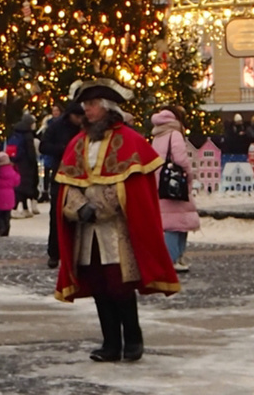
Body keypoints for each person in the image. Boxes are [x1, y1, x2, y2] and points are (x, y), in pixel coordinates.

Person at [55, 76, 179, 363]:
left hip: (116, 230)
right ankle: (110, 343)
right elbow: (68, 184)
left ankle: (133, 339)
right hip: (87, 231)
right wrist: (79, 207)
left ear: (107, 107)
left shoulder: (129, 141)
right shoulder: (78, 143)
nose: (87, 110)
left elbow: (129, 188)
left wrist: (100, 208)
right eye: (85, 104)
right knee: (98, 286)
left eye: (92, 104)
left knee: (119, 285)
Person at [149, 107, 200, 273]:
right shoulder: (175, 133)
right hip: (175, 183)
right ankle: (172, 259)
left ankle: (174, 258)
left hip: (161, 182)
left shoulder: (158, 134)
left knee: (172, 221)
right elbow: (180, 159)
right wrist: (189, 174)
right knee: (176, 223)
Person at [40, 100, 85, 266]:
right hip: (61, 174)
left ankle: (76, 253)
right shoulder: (57, 126)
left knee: (80, 214)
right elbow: (44, 146)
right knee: (57, 213)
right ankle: (54, 252)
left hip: (82, 175)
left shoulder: (87, 126)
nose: (80, 120)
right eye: (77, 117)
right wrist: (64, 148)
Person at [6, 113, 39, 216]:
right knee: (24, 186)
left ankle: (24, 208)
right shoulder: (28, 134)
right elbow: (30, 151)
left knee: (19, 185)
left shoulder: (15, 131)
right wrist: (33, 161)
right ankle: (17, 209)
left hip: (16, 161)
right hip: (26, 163)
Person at [0, 152, 20, 237]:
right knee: (6, 215)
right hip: (10, 195)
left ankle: (0, 228)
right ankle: (6, 230)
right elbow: (17, 181)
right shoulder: (12, 170)